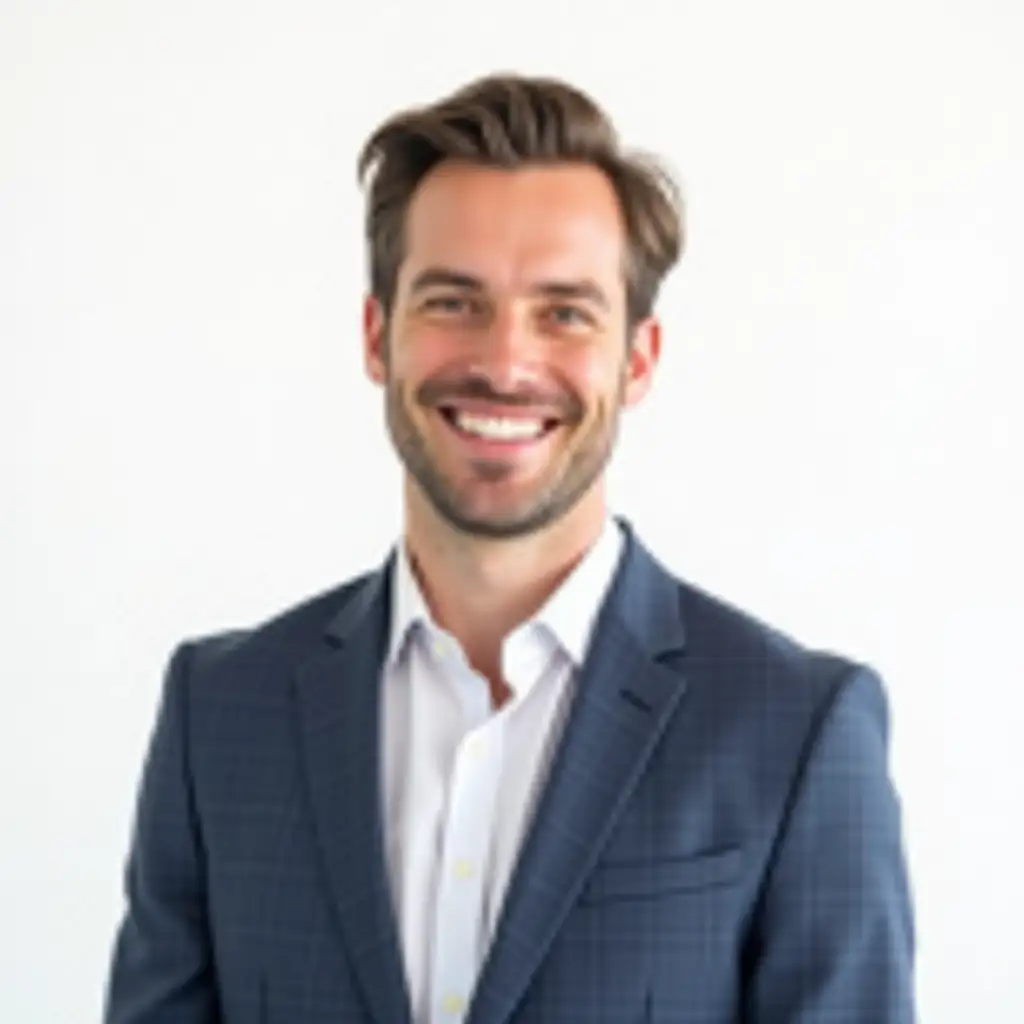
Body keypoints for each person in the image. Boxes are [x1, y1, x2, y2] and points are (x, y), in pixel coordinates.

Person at [103, 73, 915, 1023]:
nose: (505, 361)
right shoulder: (220, 716)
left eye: (565, 312)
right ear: (378, 336)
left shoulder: (799, 730)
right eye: (453, 301)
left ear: (638, 358)